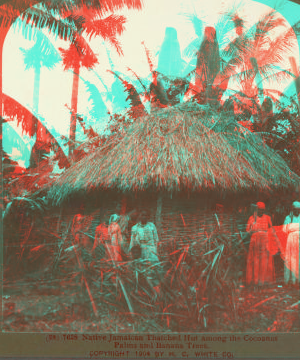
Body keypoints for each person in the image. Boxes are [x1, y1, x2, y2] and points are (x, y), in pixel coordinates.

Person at [245, 202, 275, 287]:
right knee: (255, 259)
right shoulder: (251, 218)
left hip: (265, 241)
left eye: (263, 210)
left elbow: (271, 230)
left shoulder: (268, 218)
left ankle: (263, 281)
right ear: (256, 209)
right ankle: (254, 281)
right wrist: (253, 231)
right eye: (259, 210)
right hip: (255, 241)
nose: (261, 212)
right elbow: (247, 230)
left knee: (264, 260)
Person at [282, 201, 300, 286]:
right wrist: (291, 228)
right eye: (295, 210)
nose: (297, 211)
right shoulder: (288, 218)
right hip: (291, 240)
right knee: (292, 259)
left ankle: (297, 279)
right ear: (292, 209)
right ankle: (291, 280)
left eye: (298, 210)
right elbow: (284, 230)